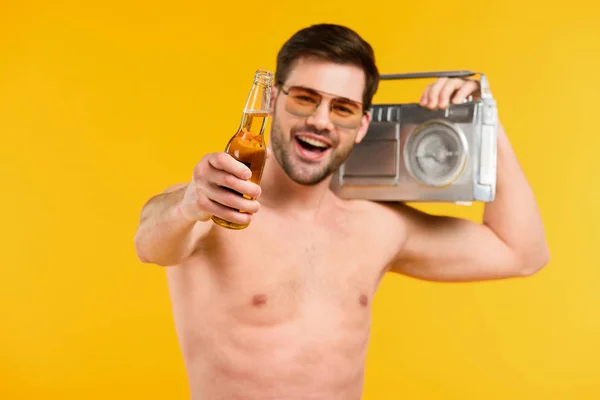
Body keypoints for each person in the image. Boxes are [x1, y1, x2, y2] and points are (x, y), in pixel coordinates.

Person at [134, 23, 550, 400]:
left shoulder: (378, 224)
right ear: (274, 99)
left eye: (343, 108)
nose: (320, 120)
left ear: (363, 124)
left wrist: (487, 121)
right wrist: (190, 202)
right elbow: (150, 241)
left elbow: (522, 253)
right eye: (304, 98)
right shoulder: (215, 205)